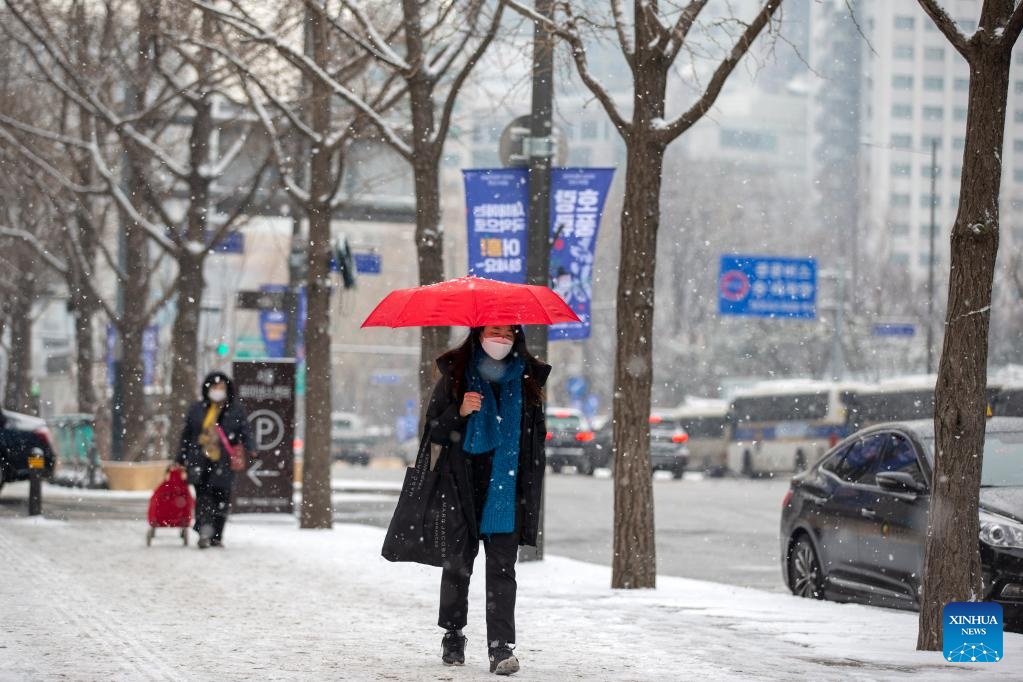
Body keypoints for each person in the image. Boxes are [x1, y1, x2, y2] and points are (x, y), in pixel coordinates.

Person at [426, 325, 550, 676]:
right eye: (495, 330)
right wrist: (460, 412)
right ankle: (453, 633)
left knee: (502, 570)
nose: (502, 338)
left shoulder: (527, 382)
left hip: (505, 491)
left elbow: (535, 441)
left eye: (509, 333)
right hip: (462, 487)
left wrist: (529, 487)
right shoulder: (456, 377)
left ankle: (500, 648)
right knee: (457, 566)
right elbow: (434, 430)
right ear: (479, 334)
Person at [175, 371, 252, 549]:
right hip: (200, 460)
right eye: (215, 387)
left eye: (221, 388)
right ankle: (204, 532)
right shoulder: (197, 409)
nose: (218, 391)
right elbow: (187, 436)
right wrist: (180, 457)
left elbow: (245, 431)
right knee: (203, 498)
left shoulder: (235, 409)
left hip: (223, 461)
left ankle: (217, 535)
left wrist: (252, 449)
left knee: (221, 498)